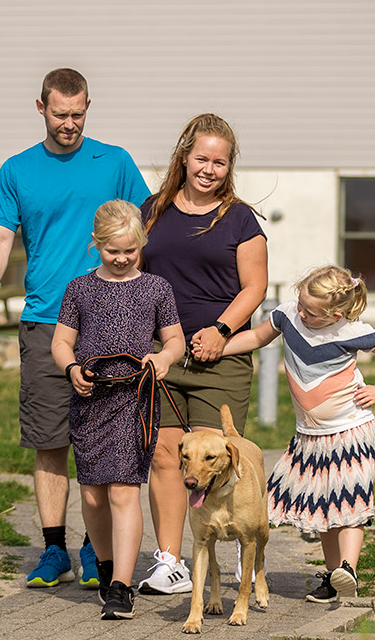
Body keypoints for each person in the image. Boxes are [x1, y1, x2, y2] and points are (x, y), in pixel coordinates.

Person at [0, 68, 151, 590]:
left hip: (110, 321)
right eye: (59, 113)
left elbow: (143, 229)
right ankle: (54, 550)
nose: (69, 123)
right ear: (40, 107)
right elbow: (1, 238)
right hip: (46, 320)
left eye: (78, 113)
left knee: (102, 442)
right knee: (50, 440)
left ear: (88, 106)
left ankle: (96, 551)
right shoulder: (17, 170)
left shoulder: (114, 161)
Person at [135, 113, 268, 595]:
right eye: (201, 158)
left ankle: (233, 564)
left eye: (220, 161)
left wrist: (219, 330)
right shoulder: (152, 210)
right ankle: (170, 562)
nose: (209, 169)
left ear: (229, 166)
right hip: (162, 356)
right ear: (184, 156)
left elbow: (255, 287)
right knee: (166, 458)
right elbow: (133, 273)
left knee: (215, 460)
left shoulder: (239, 218)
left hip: (221, 359)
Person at [220, 265, 375, 602]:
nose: (302, 312)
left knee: (350, 500)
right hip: (311, 435)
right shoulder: (288, 315)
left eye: (311, 311)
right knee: (324, 507)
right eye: (300, 303)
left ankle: (348, 568)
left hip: (352, 430)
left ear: (335, 313)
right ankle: (334, 580)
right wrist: (220, 347)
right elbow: (258, 338)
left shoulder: (351, 331)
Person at [51, 200, 185, 620]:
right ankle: (107, 567)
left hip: (135, 402)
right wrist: (71, 367)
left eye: (131, 250)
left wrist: (163, 359)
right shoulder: (79, 288)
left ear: (141, 244)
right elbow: (60, 342)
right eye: (113, 251)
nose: (123, 258)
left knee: (125, 491)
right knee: (92, 495)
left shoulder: (156, 288)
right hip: (90, 401)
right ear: (96, 245)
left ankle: (122, 587)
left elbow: (175, 340)